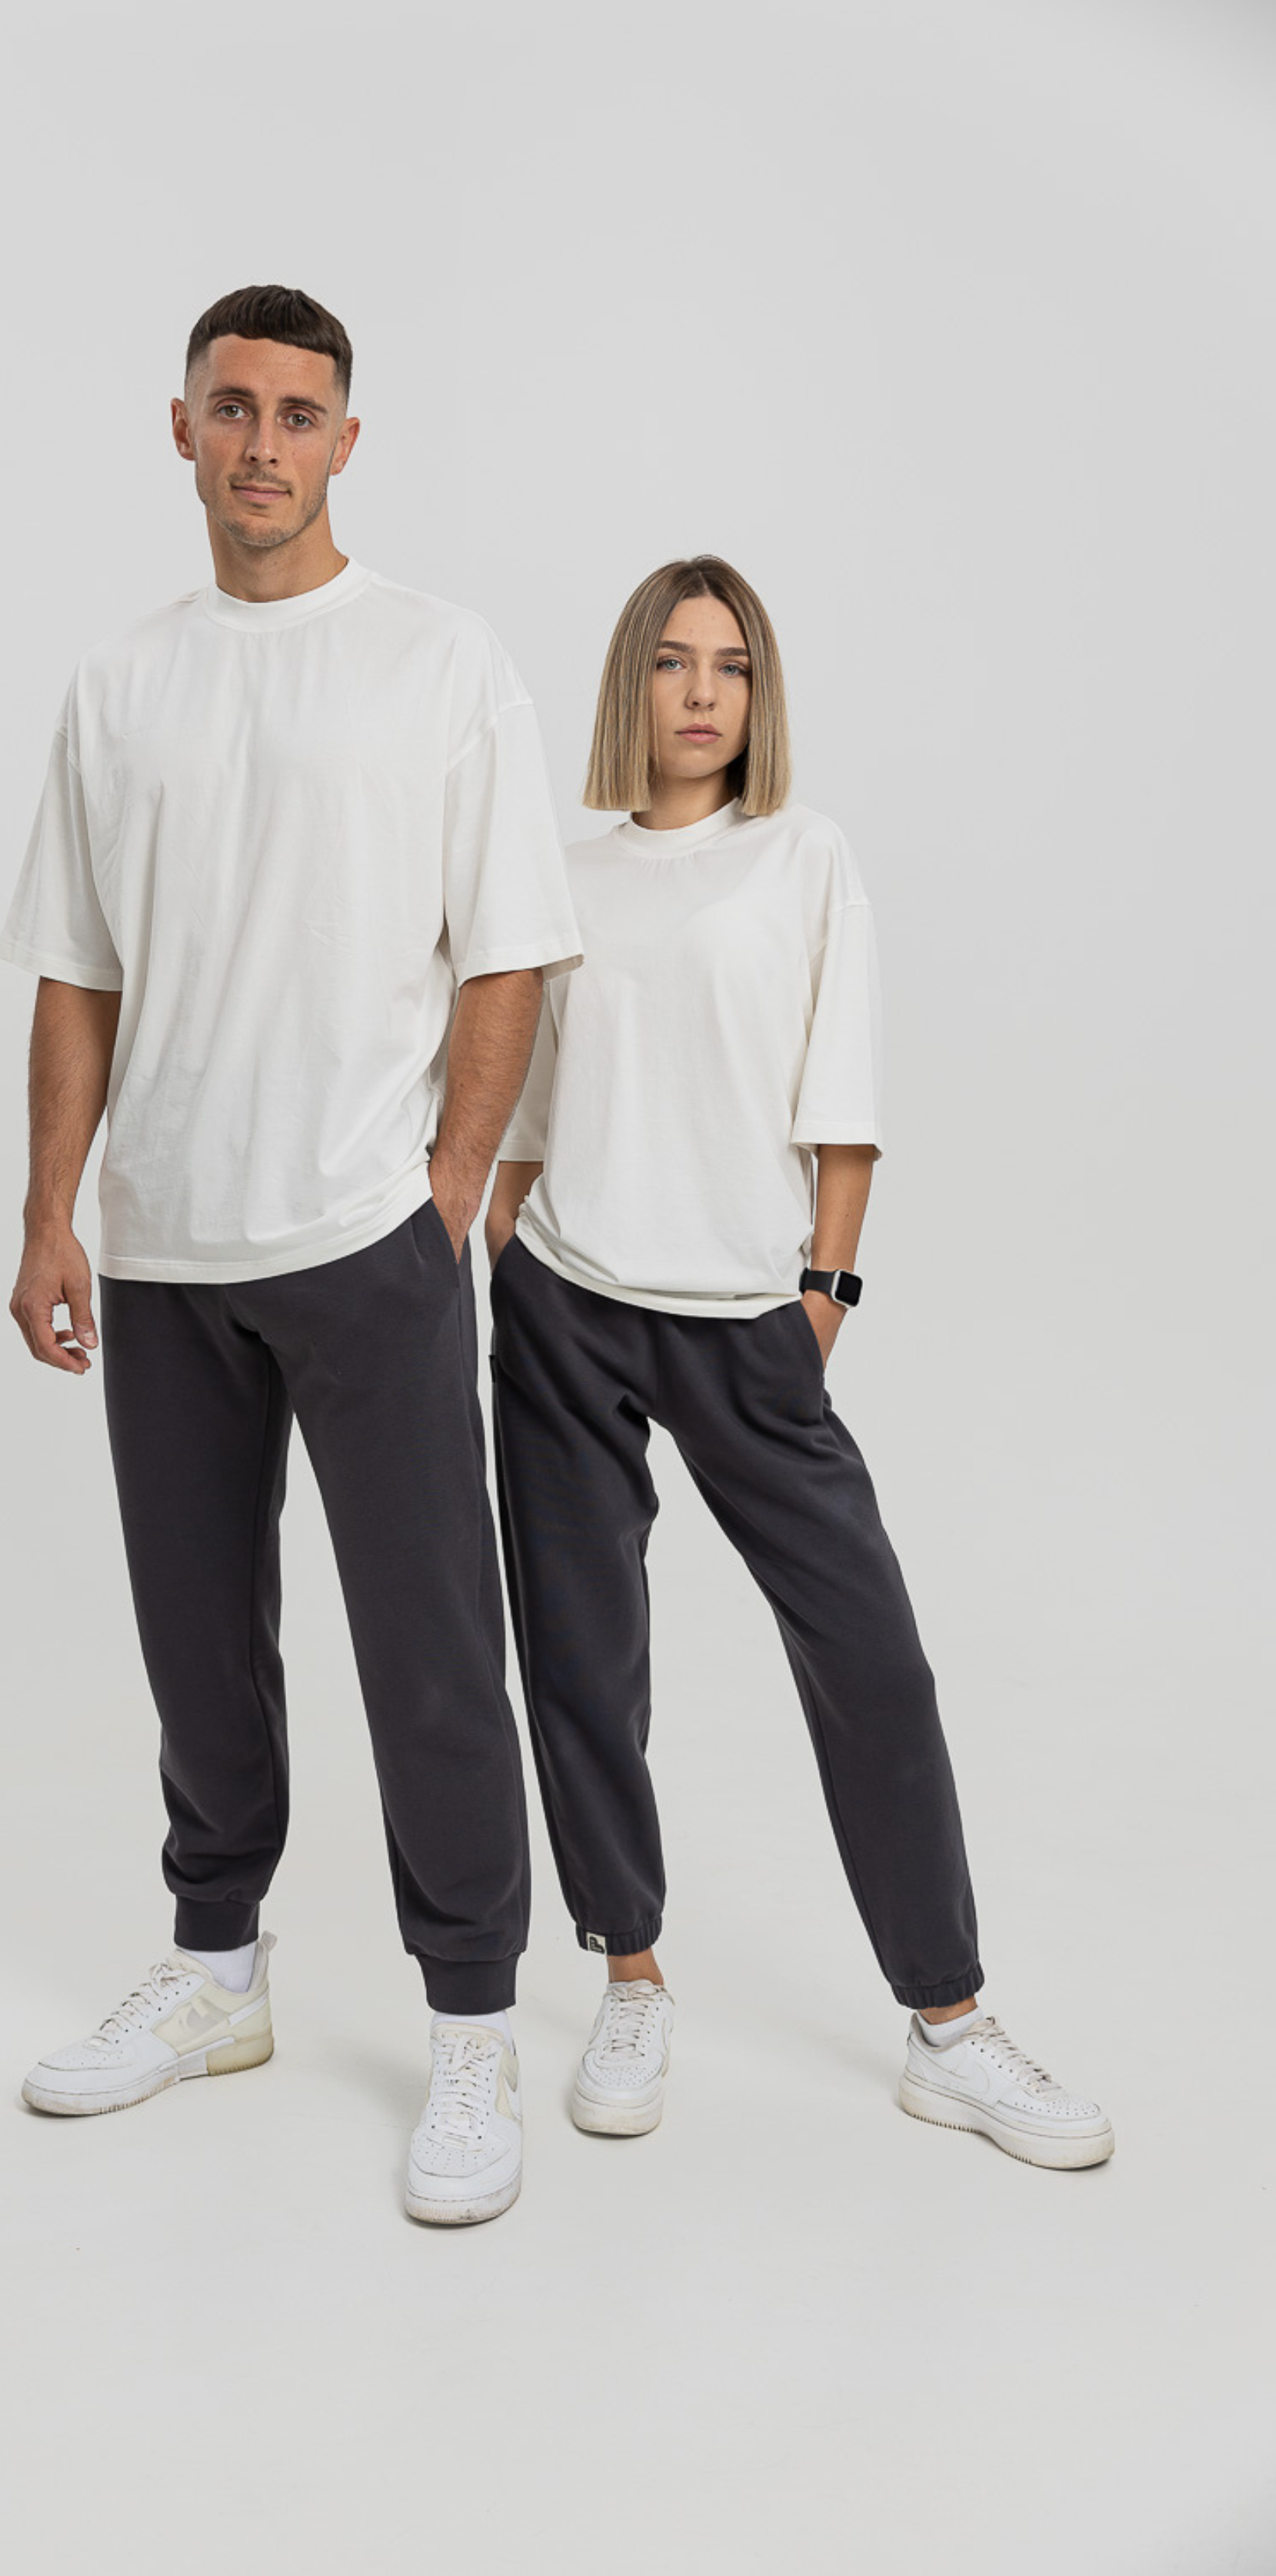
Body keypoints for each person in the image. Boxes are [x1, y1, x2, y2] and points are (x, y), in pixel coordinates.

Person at [0, 284, 579, 2224]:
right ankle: (218, 1970)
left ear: (346, 440)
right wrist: (50, 1210)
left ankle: (474, 2025)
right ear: (181, 428)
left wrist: (445, 1187)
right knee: (199, 1641)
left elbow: (512, 946)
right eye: (232, 408)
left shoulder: (438, 659)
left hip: (362, 1235)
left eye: (299, 413)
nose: (263, 444)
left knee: (433, 1651)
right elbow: (76, 970)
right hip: (166, 1245)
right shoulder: (122, 684)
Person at [486, 556, 1113, 2171]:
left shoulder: (804, 857)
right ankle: (630, 1977)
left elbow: (846, 1104)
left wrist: (821, 1298)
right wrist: (495, 1256)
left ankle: (949, 2022)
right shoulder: (565, 878)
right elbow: (529, 1115)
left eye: (734, 665)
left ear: (760, 696)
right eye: (673, 661)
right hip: (565, 1307)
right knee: (582, 1660)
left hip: (749, 1323)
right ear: (631, 686)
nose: (703, 692)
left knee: (872, 1659)